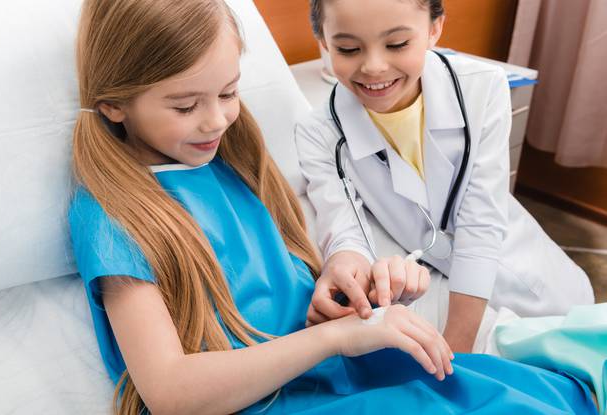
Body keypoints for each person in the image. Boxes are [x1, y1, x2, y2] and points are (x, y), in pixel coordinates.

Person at [68, 0, 597, 413]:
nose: (216, 121)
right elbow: (172, 395)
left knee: (541, 385)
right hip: (293, 394)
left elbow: (293, 288)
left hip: (337, 369)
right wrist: (335, 334)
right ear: (113, 104)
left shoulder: (232, 163)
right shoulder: (115, 214)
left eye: (229, 93)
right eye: (186, 106)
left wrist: (339, 292)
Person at [295, 0, 594, 353]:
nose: (373, 67)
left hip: (532, 280)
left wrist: (458, 352)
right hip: (435, 284)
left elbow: (480, 225)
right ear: (324, 42)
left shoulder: (482, 88)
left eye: (397, 44)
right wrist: (345, 262)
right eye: (348, 48)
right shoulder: (318, 133)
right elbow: (344, 230)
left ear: (434, 28)